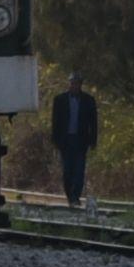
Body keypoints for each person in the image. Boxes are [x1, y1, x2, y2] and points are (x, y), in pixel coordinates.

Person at [47, 73, 99, 208]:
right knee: (67, 170)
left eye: (76, 83)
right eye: (72, 83)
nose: (74, 86)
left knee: (79, 170)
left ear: (80, 85)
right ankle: (70, 196)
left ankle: (76, 196)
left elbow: (93, 122)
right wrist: (55, 140)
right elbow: (55, 121)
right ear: (69, 84)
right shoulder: (60, 100)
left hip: (81, 140)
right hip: (65, 140)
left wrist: (93, 140)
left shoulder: (88, 100)